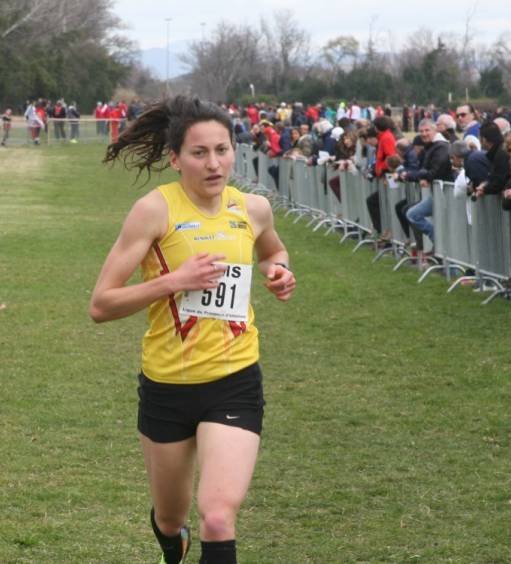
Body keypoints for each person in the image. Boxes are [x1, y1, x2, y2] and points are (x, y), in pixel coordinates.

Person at [91, 96, 295, 564]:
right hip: (168, 385)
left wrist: (279, 271)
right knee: (170, 517)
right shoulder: (154, 210)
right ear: (175, 158)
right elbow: (101, 304)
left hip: (234, 380)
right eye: (199, 153)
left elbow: (273, 251)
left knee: (218, 517)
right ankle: (172, 541)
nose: (214, 163)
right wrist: (174, 281)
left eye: (222, 150)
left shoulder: (253, 208)